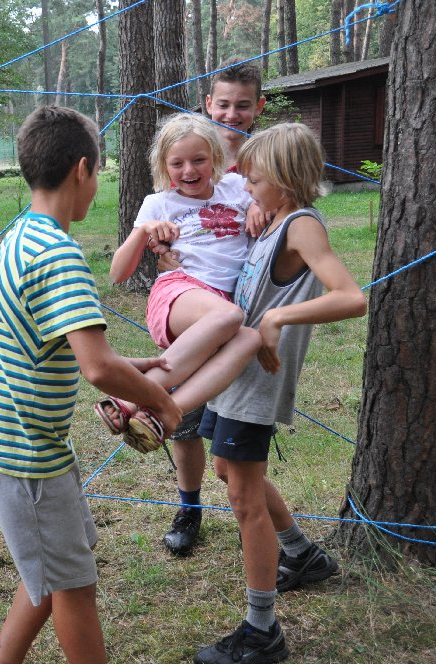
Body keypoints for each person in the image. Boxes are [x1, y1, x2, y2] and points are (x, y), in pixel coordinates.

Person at [0, 105, 182, 664]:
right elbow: (97, 368)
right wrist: (163, 402)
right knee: (74, 587)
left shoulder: (21, 235)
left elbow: (62, 344)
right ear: (82, 169)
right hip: (23, 453)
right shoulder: (58, 253)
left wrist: (133, 365)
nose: (97, 185)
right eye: (99, 173)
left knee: (56, 569)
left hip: (2, 438)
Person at [193, 123, 367, 664]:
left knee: (245, 499)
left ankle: (262, 630)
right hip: (233, 373)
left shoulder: (302, 225)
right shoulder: (272, 218)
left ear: (286, 178)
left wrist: (276, 318)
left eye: (255, 178)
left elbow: (351, 297)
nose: (245, 185)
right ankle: (302, 554)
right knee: (226, 470)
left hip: (257, 381)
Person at [96, 112, 262, 491]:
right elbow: (117, 274)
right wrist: (143, 231)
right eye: (177, 163)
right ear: (163, 165)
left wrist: (257, 205)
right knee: (231, 317)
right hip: (179, 293)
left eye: (198, 160)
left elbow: (269, 194)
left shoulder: (236, 189)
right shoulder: (158, 203)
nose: (188, 170)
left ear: (215, 157)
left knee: (249, 338)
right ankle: (130, 397)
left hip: (220, 309)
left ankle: (163, 415)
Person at [156, 58, 269, 556]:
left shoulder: (262, 162)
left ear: (258, 107)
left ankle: (258, 516)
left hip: (244, 310)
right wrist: (160, 248)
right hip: (194, 307)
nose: (232, 114)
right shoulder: (190, 155)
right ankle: (190, 507)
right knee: (184, 423)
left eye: (243, 105)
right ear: (208, 104)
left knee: (234, 432)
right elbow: (165, 226)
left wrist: (262, 201)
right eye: (223, 104)